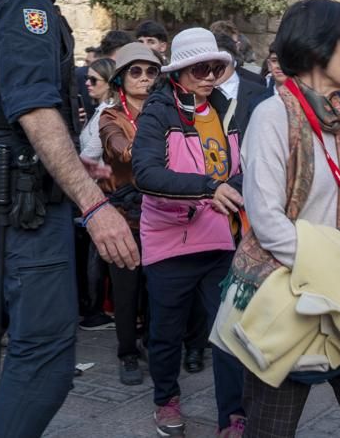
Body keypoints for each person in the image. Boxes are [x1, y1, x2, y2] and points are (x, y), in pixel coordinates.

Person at [0, 0, 139, 438]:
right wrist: (95, 203)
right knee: (46, 363)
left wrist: (73, 164)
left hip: (11, 195)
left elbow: (1, 118)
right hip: (25, 213)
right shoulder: (26, 6)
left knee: (33, 357)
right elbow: (34, 110)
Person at [213, 0, 340, 437]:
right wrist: (334, 270)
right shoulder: (272, 116)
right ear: (320, 49)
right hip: (287, 295)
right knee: (272, 428)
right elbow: (267, 221)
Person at [132, 27, 246, 437]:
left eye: (216, 66)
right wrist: (209, 188)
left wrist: (236, 189)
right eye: (200, 67)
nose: (210, 74)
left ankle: (233, 417)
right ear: (179, 71)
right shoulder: (158, 110)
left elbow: (242, 169)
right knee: (166, 334)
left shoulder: (227, 109)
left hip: (219, 239)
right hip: (170, 242)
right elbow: (146, 174)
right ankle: (166, 401)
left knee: (229, 332)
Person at [97, 42, 161, 385]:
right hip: (125, 213)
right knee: (126, 289)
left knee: (156, 286)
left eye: (151, 71)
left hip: (162, 211)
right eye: (135, 71)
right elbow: (119, 150)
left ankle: (151, 343)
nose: (144, 77)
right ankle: (126, 353)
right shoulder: (111, 115)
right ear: (121, 78)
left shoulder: (164, 109)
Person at [79, 57, 119, 332]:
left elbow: (89, 154)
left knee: (98, 254)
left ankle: (95, 311)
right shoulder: (100, 110)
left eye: (94, 80)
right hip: (97, 187)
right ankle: (95, 310)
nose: (88, 84)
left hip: (104, 189)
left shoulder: (107, 112)